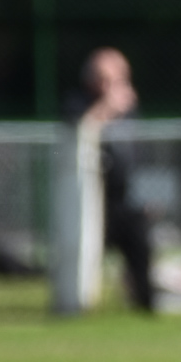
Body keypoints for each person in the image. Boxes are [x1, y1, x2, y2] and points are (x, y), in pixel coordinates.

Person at [66, 48, 153, 312]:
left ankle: (144, 305)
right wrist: (107, 107)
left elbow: (141, 154)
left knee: (141, 250)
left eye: (117, 79)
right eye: (103, 78)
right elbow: (81, 131)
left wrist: (150, 194)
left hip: (127, 197)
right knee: (85, 255)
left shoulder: (130, 110)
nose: (110, 86)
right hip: (92, 197)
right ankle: (77, 305)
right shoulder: (78, 101)